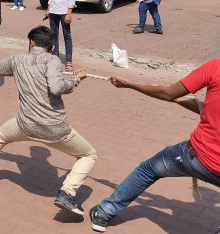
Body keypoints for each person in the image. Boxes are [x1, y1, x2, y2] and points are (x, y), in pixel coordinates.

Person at [0, 25, 95, 218]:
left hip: (25, 124)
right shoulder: (53, 60)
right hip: (56, 129)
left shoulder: (17, 60)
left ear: (31, 43)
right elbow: (57, 87)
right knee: (89, 154)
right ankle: (67, 192)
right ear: (51, 47)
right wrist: (76, 79)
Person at [89, 59, 220, 232]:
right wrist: (180, 101)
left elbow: (167, 93)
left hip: (196, 155)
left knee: (148, 170)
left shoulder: (215, 67)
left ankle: (105, 212)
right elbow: (210, 111)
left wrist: (130, 85)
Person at [47, 0, 76, 72]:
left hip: (64, 10)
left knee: (67, 36)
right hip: (53, 9)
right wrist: (48, 8)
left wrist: (69, 12)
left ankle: (68, 60)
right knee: (53, 35)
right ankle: (55, 58)